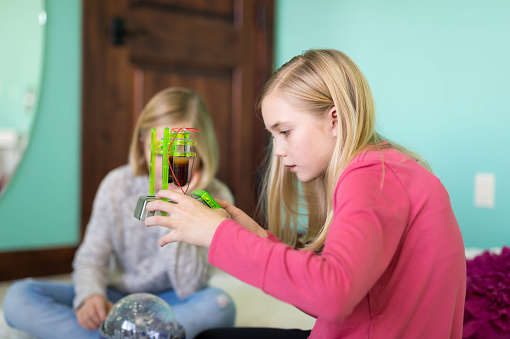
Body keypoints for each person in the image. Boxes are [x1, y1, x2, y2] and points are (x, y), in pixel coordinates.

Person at [143, 50, 467, 339]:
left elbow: (332, 296)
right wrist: (256, 238)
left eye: (285, 132)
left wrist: (218, 235)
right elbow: (339, 297)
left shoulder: (370, 176)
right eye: (274, 136)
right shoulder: (392, 168)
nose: (279, 152)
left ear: (334, 119)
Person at [3, 87, 236, 339]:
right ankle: (136, 334)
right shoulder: (117, 185)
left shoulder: (214, 196)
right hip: (119, 298)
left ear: (201, 151)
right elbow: (92, 257)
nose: (169, 165)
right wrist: (90, 295)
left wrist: (180, 204)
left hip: (175, 300)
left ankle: (117, 335)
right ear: (142, 144)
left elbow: (190, 285)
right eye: (160, 152)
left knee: (219, 306)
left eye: (180, 153)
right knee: (19, 298)